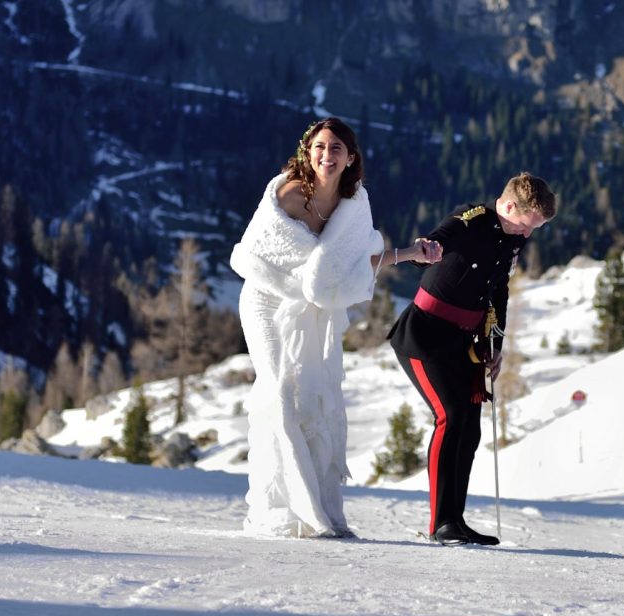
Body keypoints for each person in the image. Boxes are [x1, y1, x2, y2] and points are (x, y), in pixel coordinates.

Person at [230, 118, 440, 538]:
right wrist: (308, 286)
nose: (327, 156)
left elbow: (347, 267)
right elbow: (254, 260)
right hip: (268, 303)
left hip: (313, 313)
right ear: (308, 151)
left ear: (351, 158)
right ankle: (284, 509)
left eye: (336, 149)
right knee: (277, 392)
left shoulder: (354, 204)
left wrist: (411, 253)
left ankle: (315, 508)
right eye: (320, 147)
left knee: (312, 399)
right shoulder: (287, 195)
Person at [389, 172, 556, 546]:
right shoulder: (471, 220)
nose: (528, 235)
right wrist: (423, 250)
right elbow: (434, 244)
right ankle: (440, 523)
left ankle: (455, 520)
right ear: (509, 206)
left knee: (469, 427)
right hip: (425, 336)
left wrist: (494, 345)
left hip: (465, 342)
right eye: (528, 226)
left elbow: (498, 290)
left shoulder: (511, 237)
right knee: (450, 415)